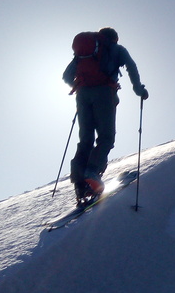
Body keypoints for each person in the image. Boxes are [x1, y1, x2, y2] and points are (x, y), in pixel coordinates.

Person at [63, 27, 149, 202]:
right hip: (104, 93)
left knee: (85, 139)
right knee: (106, 137)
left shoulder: (84, 53)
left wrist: (81, 85)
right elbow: (131, 66)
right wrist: (138, 89)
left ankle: (80, 184)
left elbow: (66, 76)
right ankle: (92, 173)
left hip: (82, 96)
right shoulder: (117, 49)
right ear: (114, 38)